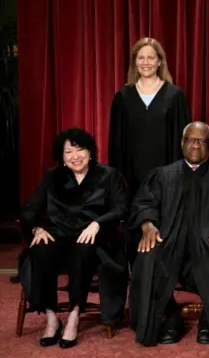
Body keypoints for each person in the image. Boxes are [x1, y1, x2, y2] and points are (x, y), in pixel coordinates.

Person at [128, 122, 209, 349]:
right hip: (170, 243)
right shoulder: (163, 175)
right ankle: (169, 317)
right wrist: (148, 224)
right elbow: (143, 203)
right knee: (147, 256)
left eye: (202, 141)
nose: (196, 145)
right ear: (182, 143)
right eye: (191, 139)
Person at [20, 128, 128, 349]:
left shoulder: (108, 175)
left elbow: (121, 208)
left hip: (93, 238)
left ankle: (73, 315)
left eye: (80, 150)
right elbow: (30, 210)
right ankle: (51, 316)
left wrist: (98, 223)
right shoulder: (52, 177)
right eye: (69, 151)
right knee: (38, 250)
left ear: (91, 152)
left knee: (82, 250)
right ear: (62, 156)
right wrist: (35, 230)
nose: (75, 156)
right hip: (58, 235)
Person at [109, 37, 191, 197]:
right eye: (141, 57)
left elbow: (183, 141)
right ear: (135, 62)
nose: (145, 62)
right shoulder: (123, 96)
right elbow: (116, 144)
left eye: (151, 58)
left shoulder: (175, 95)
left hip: (168, 180)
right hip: (132, 180)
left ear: (159, 61)